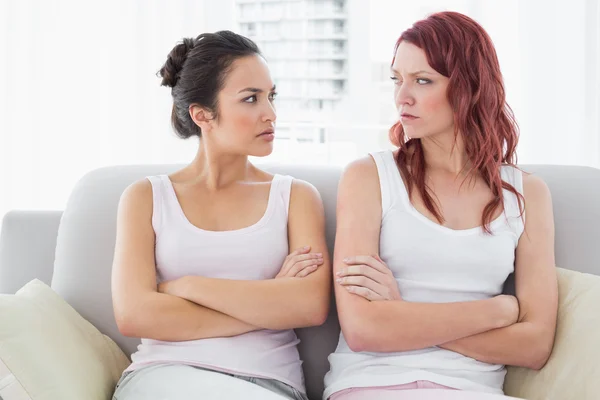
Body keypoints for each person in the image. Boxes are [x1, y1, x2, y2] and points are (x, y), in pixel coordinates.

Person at [324, 11, 557, 400]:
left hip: (472, 389)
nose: (402, 97)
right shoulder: (369, 177)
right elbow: (364, 330)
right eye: (397, 80)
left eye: (423, 81)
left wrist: (402, 315)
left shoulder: (527, 194)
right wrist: (496, 312)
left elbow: (534, 346)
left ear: (469, 88)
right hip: (372, 383)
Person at [110, 31, 330, 400]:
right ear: (202, 114)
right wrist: (270, 301)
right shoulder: (146, 197)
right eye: (250, 99)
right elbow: (136, 315)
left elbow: (308, 306)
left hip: (268, 384)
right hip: (165, 376)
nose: (270, 114)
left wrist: (188, 287)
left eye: (271, 96)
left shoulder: (296, 197)